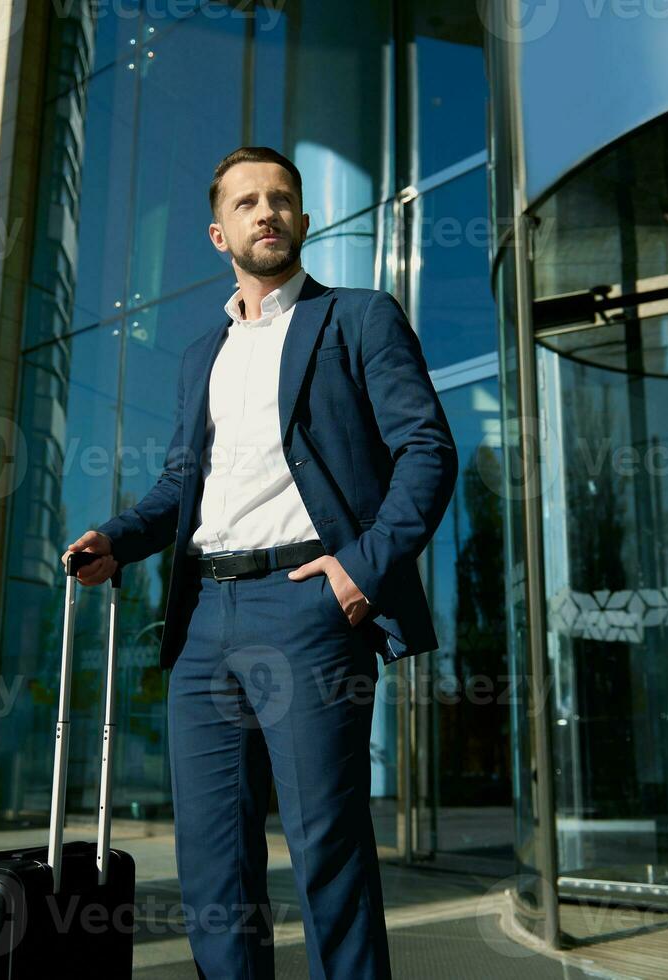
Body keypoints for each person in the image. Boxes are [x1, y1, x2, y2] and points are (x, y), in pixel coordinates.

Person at [67, 145, 457, 979]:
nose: (266, 211)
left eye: (281, 199)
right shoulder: (199, 354)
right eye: (247, 202)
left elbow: (426, 450)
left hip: (306, 606)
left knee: (326, 850)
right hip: (202, 621)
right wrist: (118, 539)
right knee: (212, 863)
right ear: (219, 232)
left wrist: (360, 569)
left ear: (305, 221)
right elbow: (182, 486)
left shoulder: (358, 317)